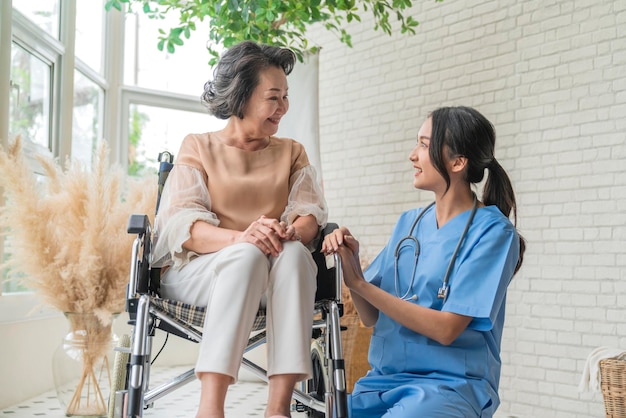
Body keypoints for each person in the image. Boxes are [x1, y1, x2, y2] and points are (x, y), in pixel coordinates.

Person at [152, 41, 328, 418]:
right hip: (200, 272)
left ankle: (277, 409)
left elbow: (310, 213)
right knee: (247, 254)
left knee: (295, 253)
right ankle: (210, 409)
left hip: (273, 275)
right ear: (242, 97)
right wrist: (244, 238)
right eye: (273, 97)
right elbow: (185, 228)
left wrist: (293, 231)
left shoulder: (292, 151)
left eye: (285, 97)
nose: (283, 107)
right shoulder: (198, 146)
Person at [322, 106, 526, 418]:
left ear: (457, 162)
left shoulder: (494, 233)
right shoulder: (410, 223)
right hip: (382, 383)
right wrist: (352, 273)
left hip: (450, 387)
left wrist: (363, 285)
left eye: (423, 144)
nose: (412, 155)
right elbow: (371, 316)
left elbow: (447, 330)